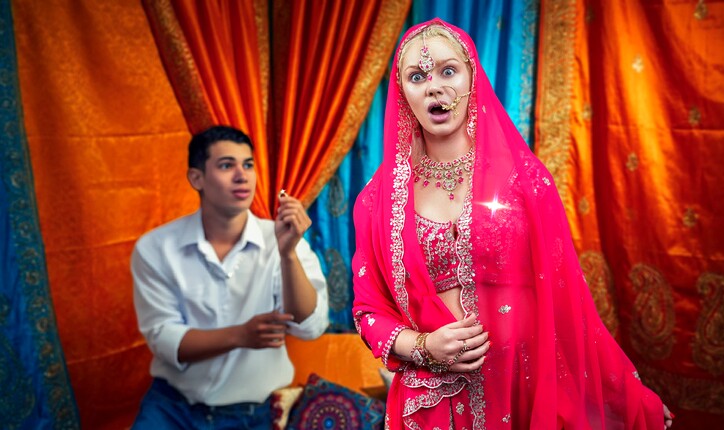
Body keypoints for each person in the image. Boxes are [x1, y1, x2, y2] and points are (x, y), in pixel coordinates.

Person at [352, 19, 674, 429]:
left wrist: (627, 396)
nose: (434, 87)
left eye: (448, 71)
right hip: (432, 404)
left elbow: (569, 304)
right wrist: (423, 346)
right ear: (402, 92)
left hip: (523, 391)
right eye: (417, 76)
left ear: (473, 77)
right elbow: (368, 311)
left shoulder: (526, 183)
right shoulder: (378, 202)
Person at [131, 125, 329, 429]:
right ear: (196, 178)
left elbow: (309, 327)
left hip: (253, 413)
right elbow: (164, 340)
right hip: (171, 407)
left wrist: (287, 254)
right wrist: (240, 335)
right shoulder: (156, 247)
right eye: (226, 165)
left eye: (248, 165)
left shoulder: (283, 239)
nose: (242, 176)